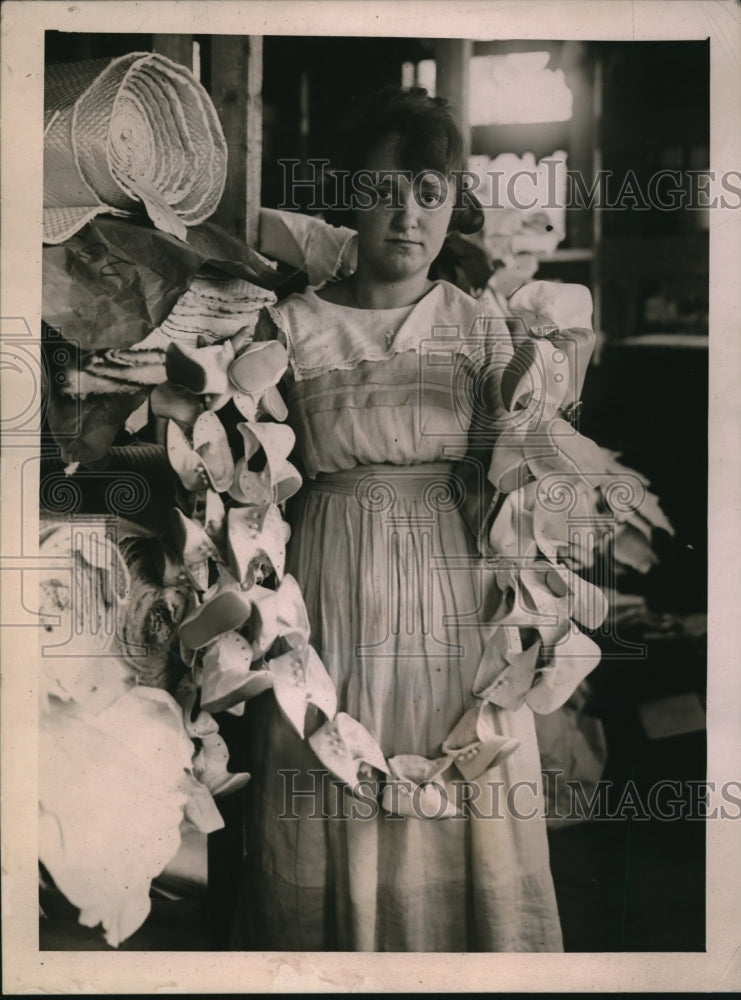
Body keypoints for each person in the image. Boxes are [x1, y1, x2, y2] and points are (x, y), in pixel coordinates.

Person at [232, 85, 567, 952]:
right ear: (348, 192)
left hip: (450, 590)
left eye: (430, 194)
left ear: (454, 204)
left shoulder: (480, 327)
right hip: (328, 585)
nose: (406, 216)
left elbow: (523, 482)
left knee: (457, 772)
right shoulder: (288, 327)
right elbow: (248, 483)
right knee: (327, 764)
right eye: (384, 190)